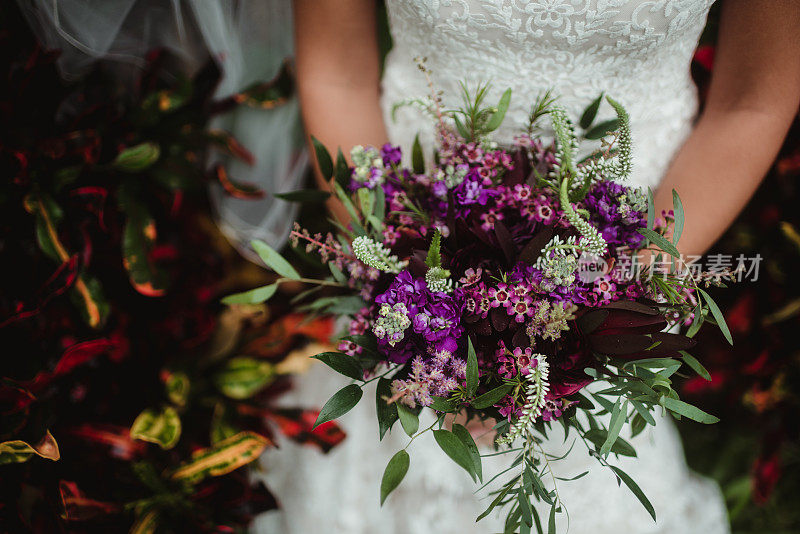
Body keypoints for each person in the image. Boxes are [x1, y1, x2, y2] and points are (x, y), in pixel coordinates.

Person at [255, 1, 800, 532]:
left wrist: (616, 297)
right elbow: (336, 74)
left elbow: (753, 103)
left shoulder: (617, 285)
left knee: (581, 476)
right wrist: (406, 288)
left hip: (621, 254)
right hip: (418, 240)